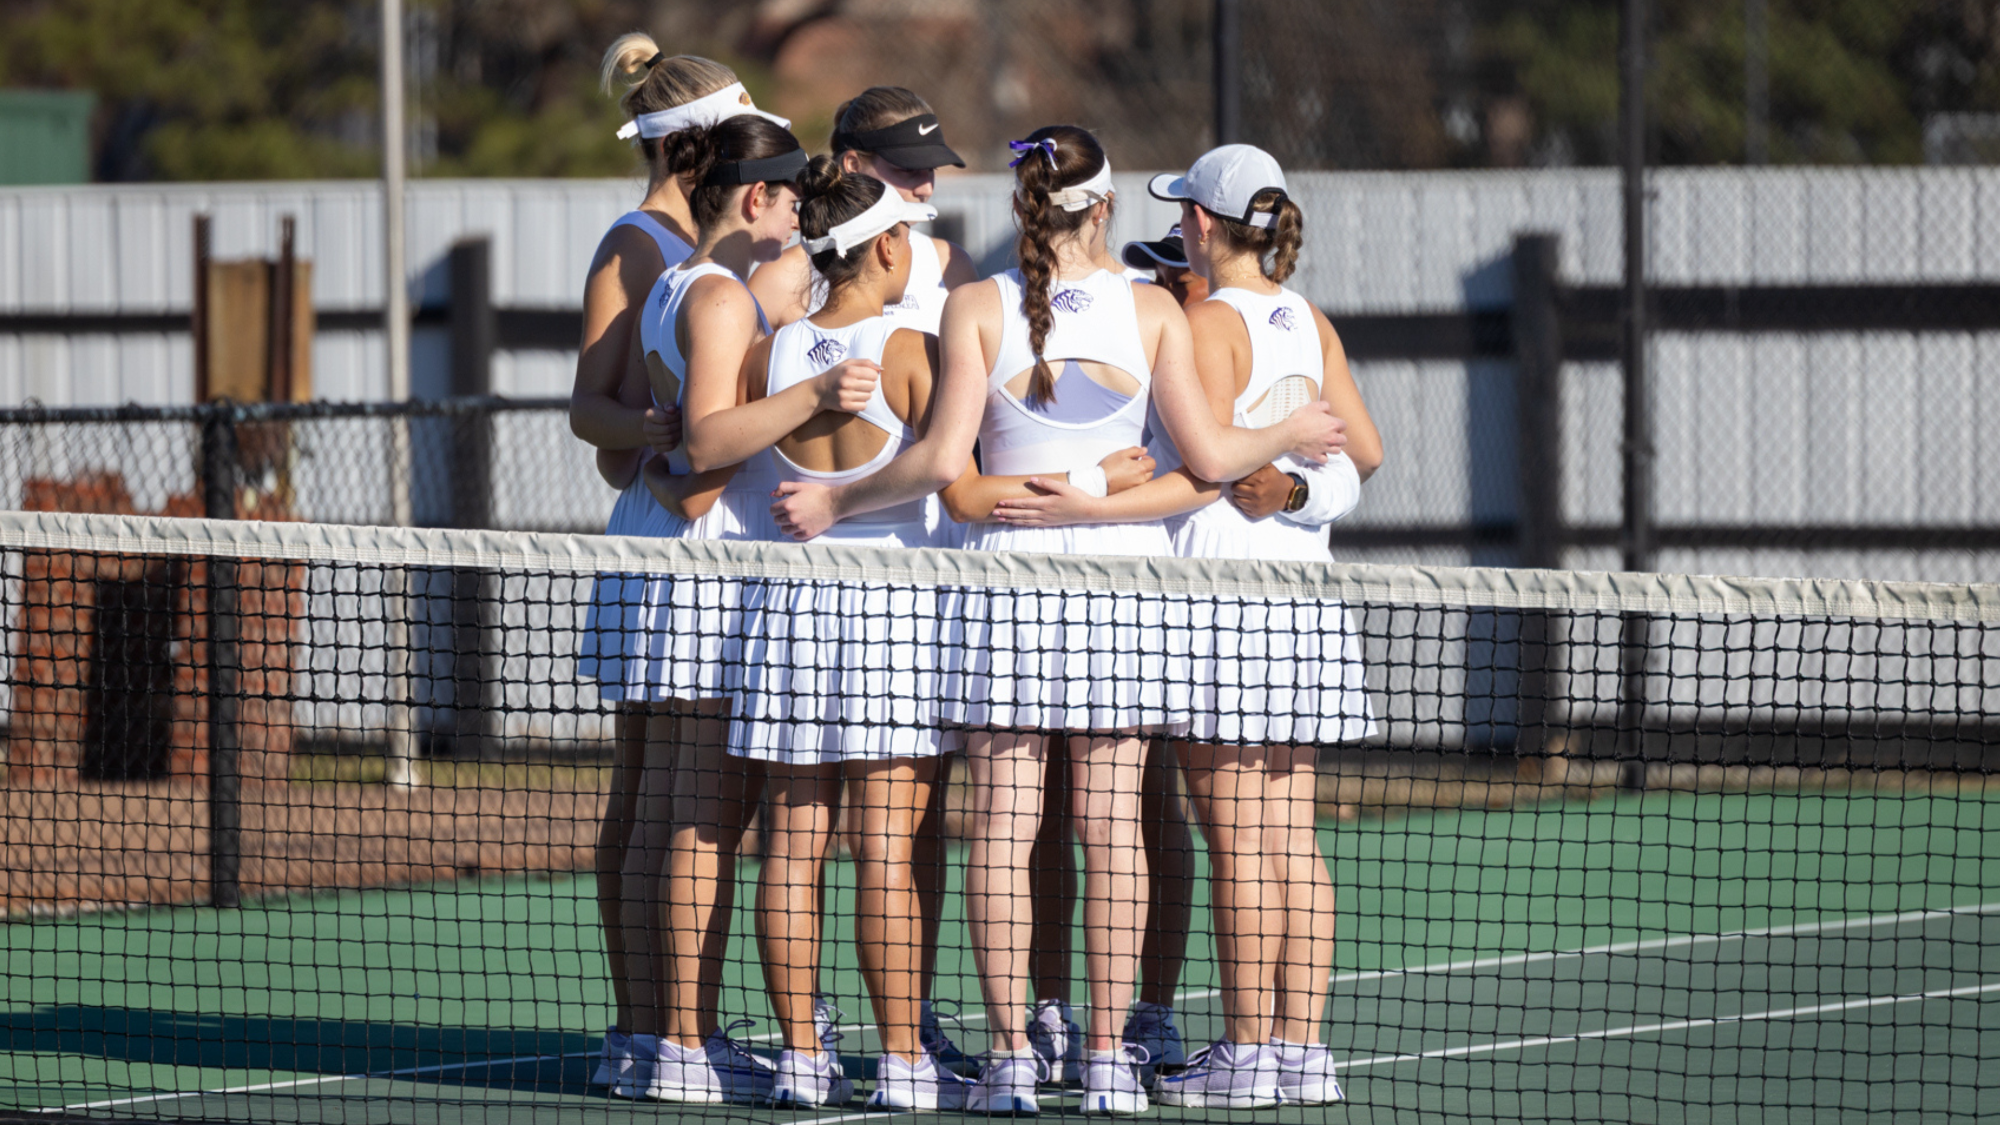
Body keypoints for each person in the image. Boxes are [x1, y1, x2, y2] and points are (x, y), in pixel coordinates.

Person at [932, 124, 1346, 1117]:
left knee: (1003, 828)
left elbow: (955, 489)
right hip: (1120, 582)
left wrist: (1063, 495)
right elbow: (1202, 464)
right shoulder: (1152, 307)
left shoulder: (971, 307)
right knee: (1112, 828)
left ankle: (1007, 1064)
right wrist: (1288, 430)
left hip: (1012, 583)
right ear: (1106, 206)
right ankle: (1110, 1064)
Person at [620, 109, 874, 1105]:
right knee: (695, 818)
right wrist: (814, 400)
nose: (793, 228)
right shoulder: (719, 293)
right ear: (756, 196)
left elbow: (668, 439)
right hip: (703, 571)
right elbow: (707, 441)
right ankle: (682, 1041)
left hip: (682, 564)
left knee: (673, 811)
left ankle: (655, 1038)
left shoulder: (679, 282)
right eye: (787, 205)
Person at [726, 156, 986, 1111]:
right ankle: (906, 1064)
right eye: (906, 237)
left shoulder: (771, 354)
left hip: (790, 617)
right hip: (891, 625)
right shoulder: (915, 349)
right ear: (884, 246)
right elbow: (953, 475)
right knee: (886, 854)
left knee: (790, 850)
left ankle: (802, 1058)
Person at [1145, 144, 1381, 1110]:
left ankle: (1246, 1051)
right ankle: (1299, 1049)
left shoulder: (1201, 320)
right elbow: (1360, 458)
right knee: (1288, 833)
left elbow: (1208, 464)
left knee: (1237, 839)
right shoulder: (1307, 317)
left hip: (1227, 608)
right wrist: (1297, 486)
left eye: (1185, 215)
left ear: (1202, 224)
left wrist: (1276, 480)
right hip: (1300, 605)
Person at [568, 35, 767, 1094]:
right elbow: (597, 416)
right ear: (700, 147)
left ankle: (649, 1033)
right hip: (679, 550)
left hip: (674, 543)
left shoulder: (687, 246)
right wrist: (670, 437)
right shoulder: (649, 247)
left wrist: (649, 434)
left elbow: (602, 421)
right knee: (679, 802)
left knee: (657, 793)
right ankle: (669, 1034)